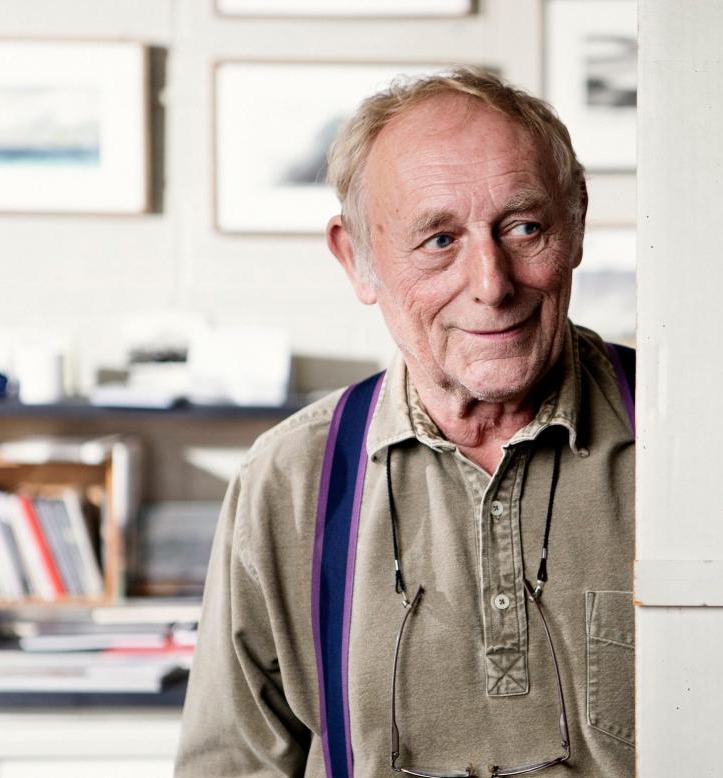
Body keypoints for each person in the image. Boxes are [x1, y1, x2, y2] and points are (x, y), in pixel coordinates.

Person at [175, 66, 634, 778]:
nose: (491, 284)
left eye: (523, 227)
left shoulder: (689, 439)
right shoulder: (288, 481)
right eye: (438, 240)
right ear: (357, 259)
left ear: (574, 226)